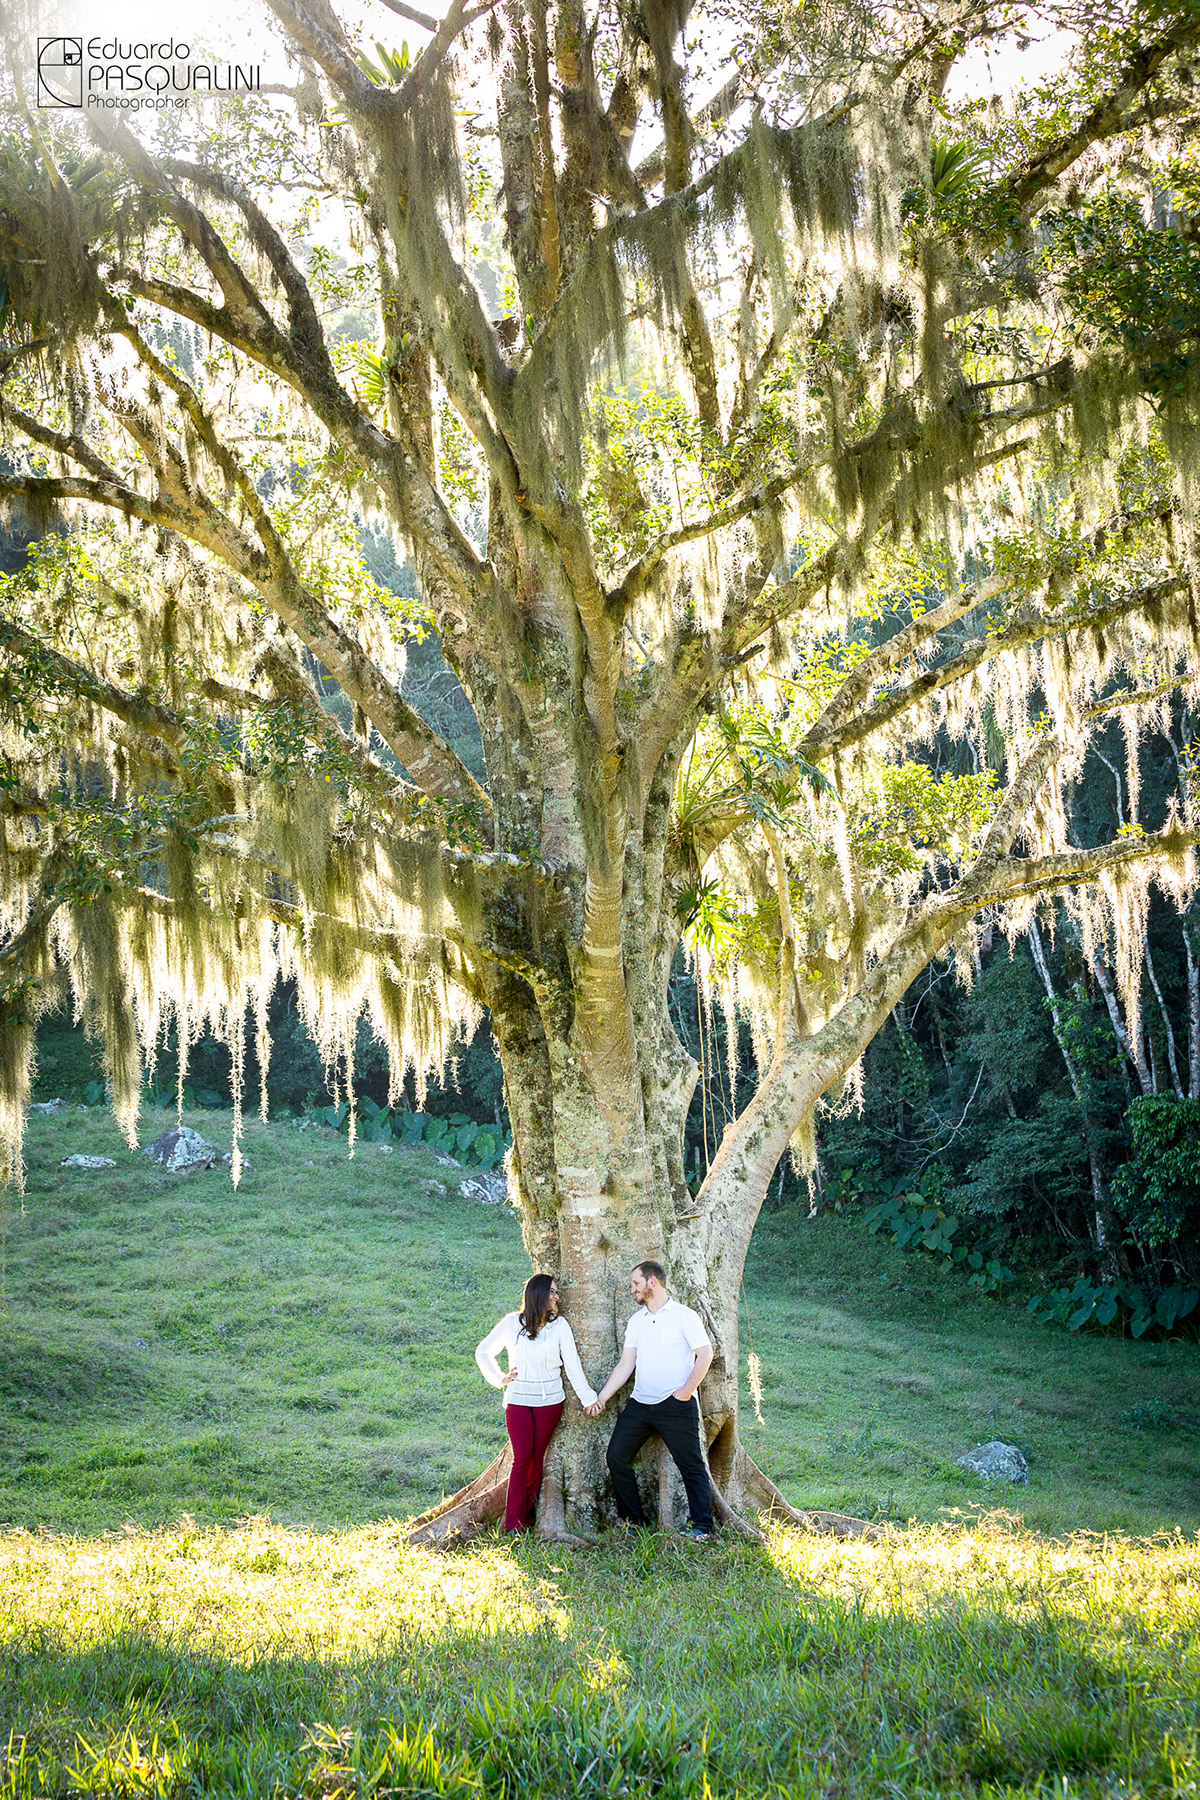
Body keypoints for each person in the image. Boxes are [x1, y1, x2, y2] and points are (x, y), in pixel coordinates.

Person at [587, 1260, 716, 1542]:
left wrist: (684, 1392)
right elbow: (625, 1365)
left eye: (636, 1283)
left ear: (652, 1282)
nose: (632, 1288)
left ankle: (703, 1527)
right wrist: (601, 1398)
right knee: (617, 1457)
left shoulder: (684, 1315)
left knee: (691, 1465)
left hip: (676, 1406)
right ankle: (634, 1521)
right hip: (640, 1405)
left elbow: (705, 1355)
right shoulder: (636, 1321)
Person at [475, 1272, 598, 1534]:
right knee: (522, 1459)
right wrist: (499, 1378)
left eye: (556, 1292)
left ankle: (529, 1519)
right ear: (539, 1295)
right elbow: (483, 1352)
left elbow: (573, 1366)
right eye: (552, 1292)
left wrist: (590, 1400)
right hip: (518, 1400)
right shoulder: (511, 1324)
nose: (556, 1296)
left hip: (550, 1403)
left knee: (536, 1460)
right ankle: (513, 1524)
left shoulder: (559, 1326)